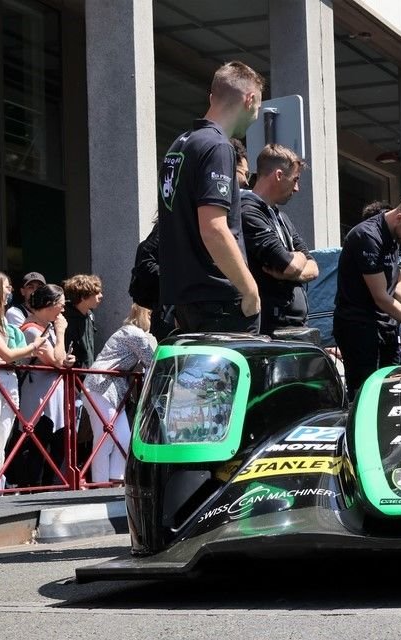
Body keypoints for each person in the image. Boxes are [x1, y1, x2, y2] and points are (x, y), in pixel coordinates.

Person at [157, 61, 264, 334]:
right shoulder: (217, 146)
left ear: (212, 97)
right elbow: (214, 229)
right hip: (219, 300)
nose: (256, 116)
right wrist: (249, 289)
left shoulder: (180, 144)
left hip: (186, 299)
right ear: (249, 99)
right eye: (258, 107)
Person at [333, 196, 401, 399]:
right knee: (365, 392)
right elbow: (381, 296)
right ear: (400, 218)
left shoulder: (400, 237)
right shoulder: (367, 236)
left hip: (386, 324)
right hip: (359, 325)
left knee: (394, 389)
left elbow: (398, 284)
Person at [240, 144, 319, 335]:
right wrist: (297, 260)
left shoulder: (281, 217)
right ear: (278, 175)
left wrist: (293, 269)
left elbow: (314, 268)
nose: (297, 188)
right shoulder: (248, 212)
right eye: (295, 180)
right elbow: (289, 265)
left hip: (294, 327)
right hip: (270, 330)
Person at [0, 270, 44, 491]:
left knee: (2, 439)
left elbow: (8, 356)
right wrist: (33, 347)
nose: (9, 291)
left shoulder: (0, 322)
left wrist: (9, 356)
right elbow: (8, 354)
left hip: (7, 380)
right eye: (6, 287)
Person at [83, 304, 156, 484]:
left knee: (122, 438)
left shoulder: (127, 331)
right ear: (145, 314)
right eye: (150, 315)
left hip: (110, 388)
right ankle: (101, 483)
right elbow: (152, 361)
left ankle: (116, 479)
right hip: (101, 385)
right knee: (105, 438)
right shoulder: (135, 334)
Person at [16, 284, 76, 487]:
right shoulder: (31, 330)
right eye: (61, 304)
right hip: (37, 398)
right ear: (49, 304)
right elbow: (56, 360)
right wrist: (61, 332)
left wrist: (67, 360)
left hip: (52, 396)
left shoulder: (45, 328)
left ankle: (48, 486)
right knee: (37, 447)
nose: (64, 309)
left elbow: (60, 359)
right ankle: (34, 489)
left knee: (56, 445)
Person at [62, 274, 103, 369]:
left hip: (88, 372)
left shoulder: (90, 316)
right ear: (83, 297)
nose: (101, 296)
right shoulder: (64, 319)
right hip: (72, 373)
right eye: (96, 293)